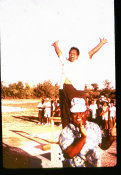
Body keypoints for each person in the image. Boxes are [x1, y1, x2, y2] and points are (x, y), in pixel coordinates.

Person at [52, 38, 108, 128]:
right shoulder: (65, 61)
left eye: (74, 53)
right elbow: (59, 53)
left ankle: (81, 132)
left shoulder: (81, 62)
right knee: (65, 115)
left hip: (76, 90)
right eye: (70, 53)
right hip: (63, 90)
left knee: (78, 113)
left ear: (78, 56)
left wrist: (101, 43)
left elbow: (92, 52)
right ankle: (66, 134)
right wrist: (56, 45)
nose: (72, 54)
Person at [59, 97, 116, 167]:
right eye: (75, 113)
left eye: (81, 112)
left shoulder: (94, 127)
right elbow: (69, 154)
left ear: (86, 113)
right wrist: (83, 138)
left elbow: (103, 146)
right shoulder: (66, 131)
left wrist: (111, 137)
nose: (78, 116)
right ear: (71, 115)